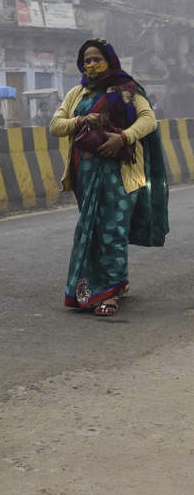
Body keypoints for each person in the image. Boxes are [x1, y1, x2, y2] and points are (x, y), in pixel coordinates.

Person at [49, 39, 168, 317]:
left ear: (110, 60)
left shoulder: (127, 89)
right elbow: (56, 125)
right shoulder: (76, 94)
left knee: (112, 232)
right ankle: (104, 286)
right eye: (87, 60)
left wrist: (123, 137)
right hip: (85, 175)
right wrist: (81, 121)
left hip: (121, 172)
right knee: (91, 232)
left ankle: (111, 293)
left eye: (97, 59)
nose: (91, 64)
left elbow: (148, 120)